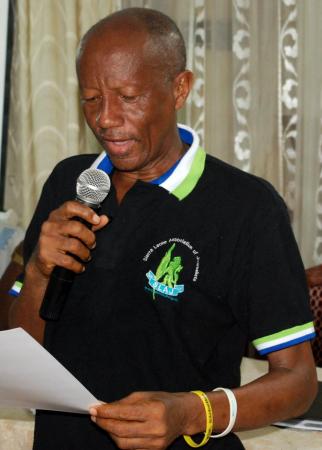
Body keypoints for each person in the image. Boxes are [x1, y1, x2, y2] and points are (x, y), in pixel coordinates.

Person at [9, 7, 317, 450]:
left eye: (128, 96)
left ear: (179, 88)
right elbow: (25, 345)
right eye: (91, 98)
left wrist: (190, 412)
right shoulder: (70, 182)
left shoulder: (247, 208)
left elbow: (299, 381)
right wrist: (38, 271)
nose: (106, 119)